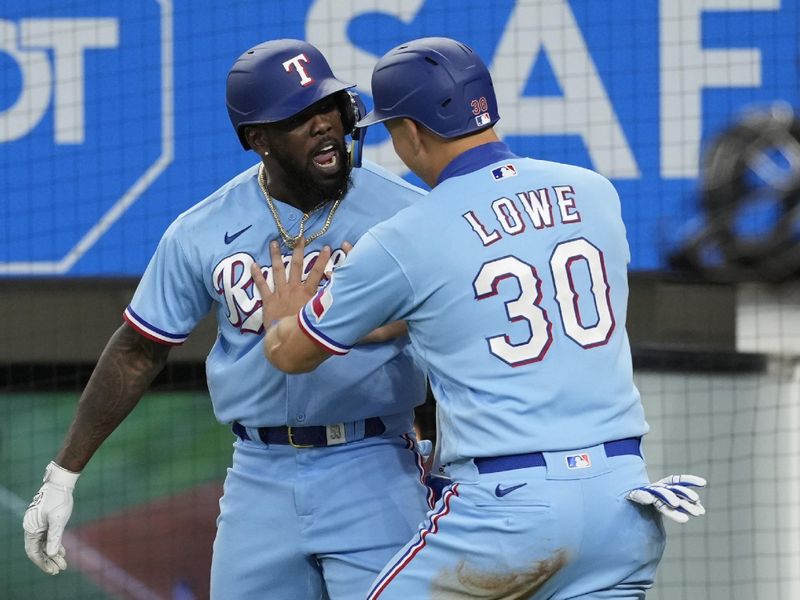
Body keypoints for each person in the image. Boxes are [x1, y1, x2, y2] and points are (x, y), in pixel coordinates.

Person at [250, 37, 706, 599]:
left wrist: (281, 320)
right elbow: (481, 304)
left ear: (412, 131)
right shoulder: (595, 193)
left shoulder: (410, 234)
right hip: (623, 503)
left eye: (393, 130)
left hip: (510, 514)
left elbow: (293, 354)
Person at [22, 39, 434, 600]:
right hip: (258, 479)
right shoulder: (201, 230)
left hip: (376, 467)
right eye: (299, 116)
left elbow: (453, 333)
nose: (323, 125)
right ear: (256, 138)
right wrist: (62, 475)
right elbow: (138, 350)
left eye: (329, 107)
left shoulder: (407, 214)